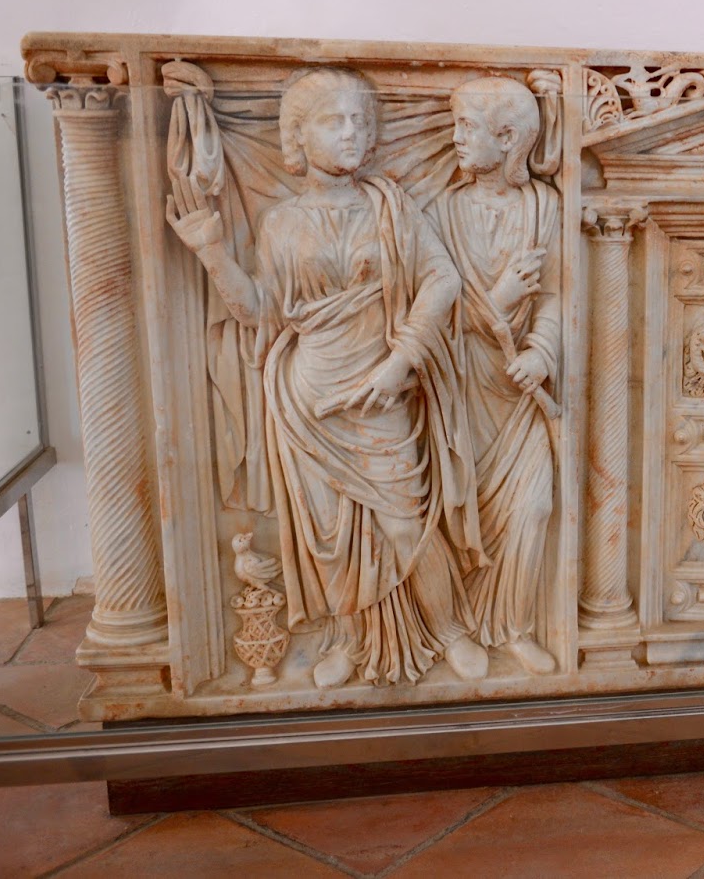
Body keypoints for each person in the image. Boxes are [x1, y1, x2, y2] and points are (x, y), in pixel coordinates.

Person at [166, 67, 488, 688]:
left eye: (361, 122)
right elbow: (261, 311)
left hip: (383, 388)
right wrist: (211, 252)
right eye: (334, 121)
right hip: (309, 397)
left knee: (404, 520)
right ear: (297, 135)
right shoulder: (282, 223)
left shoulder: (391, 206)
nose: (352, 134)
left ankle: (449, 628)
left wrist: (400, 361)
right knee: (330, 535)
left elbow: (442, 279)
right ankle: (349, 638)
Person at [432, 77, 562, 675]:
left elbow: (558, 294)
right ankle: (459, 629)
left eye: (467, 127)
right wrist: (498, 300)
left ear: (507, 137)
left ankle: (511, 626)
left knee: (533, 508)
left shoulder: (544, 206)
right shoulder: (441, 212)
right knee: (462, 517)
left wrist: (542, 351)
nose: (456, 138)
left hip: (518, 391)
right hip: (460, 388)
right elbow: (425, 311)